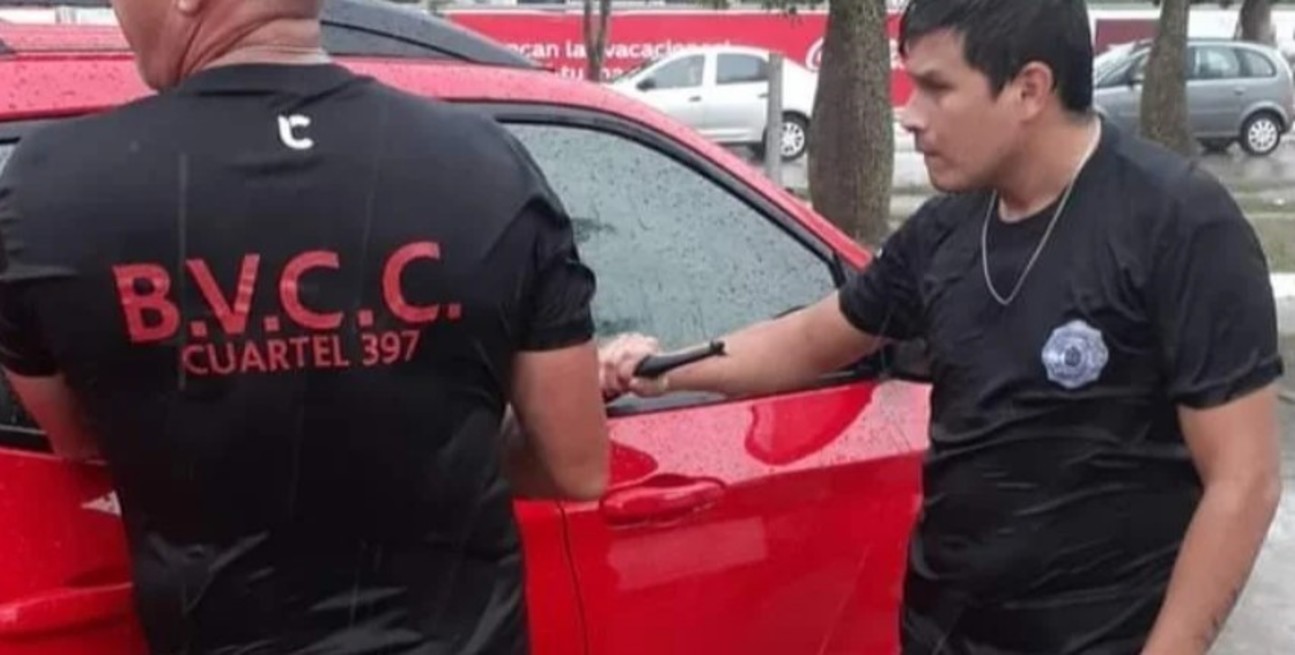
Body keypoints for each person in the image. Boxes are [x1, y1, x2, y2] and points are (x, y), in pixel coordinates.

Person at [602, 0, 1284, 652]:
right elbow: (811, 339)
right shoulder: (944, 232)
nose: (909, 115)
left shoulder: (1177, 225)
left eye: (936, 88)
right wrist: (665, 370)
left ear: (1028, 89)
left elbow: (1243, 479)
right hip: (939, 632)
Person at [0, 0, 609, 652]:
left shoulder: (48, 190)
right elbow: (574, 465)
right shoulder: (487, 164)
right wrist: (436, 441)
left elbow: (78, 437)